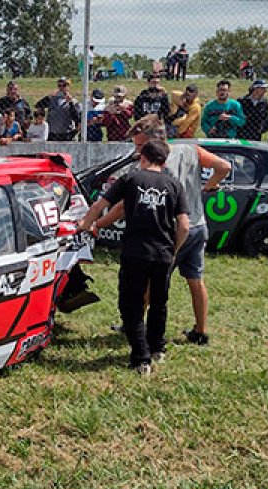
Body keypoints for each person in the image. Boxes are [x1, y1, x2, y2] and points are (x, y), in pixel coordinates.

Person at [83, 115, 230, 346]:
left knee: (150, 284)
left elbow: (122, 206)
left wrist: (98, 225)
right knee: (196, 279)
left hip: (170, 232)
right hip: (198, 225)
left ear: (155, 141)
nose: (137, 151)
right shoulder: (191, 150)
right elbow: (224, 166)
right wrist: (208, 187)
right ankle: (200, 331)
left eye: (140, 146)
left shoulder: (154, 167)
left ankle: (134, 325)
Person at [81, 138, 190, 375]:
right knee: (159, 302)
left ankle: (141, 358)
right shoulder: (174, 185)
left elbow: (100, 205)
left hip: (135, 252)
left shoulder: (130, 179)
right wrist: (174, 250)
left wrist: (87, 225)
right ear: (164, 161)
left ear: (143, 157)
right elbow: (184, 225)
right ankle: (157, 348)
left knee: (130, 304)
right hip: (163, 253)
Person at [35, 77, 81, 141]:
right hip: (52, 134)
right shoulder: (51, 99)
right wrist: (48, 97)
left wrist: (70, 103)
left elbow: (76, 118)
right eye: (59, 85)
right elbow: (38, 105)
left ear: (68, 86)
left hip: (66, 134)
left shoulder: (74, 102)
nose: (61, 88)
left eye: (64, 85)